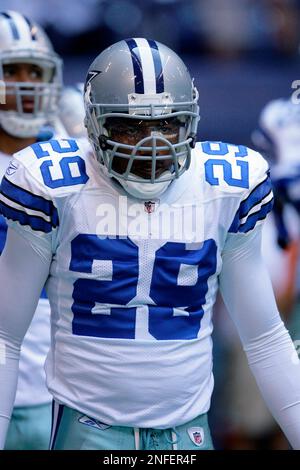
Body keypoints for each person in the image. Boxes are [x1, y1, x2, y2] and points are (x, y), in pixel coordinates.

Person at [0, 38, 300, 451]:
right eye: (130, 126)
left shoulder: (226, 185)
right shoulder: (56, 184)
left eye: (166, 124)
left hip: (188, 435)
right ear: (93, 127)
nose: (152, 144)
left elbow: (265, 337)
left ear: (191, 121)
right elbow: (5, 336)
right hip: (87, 430)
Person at [0, 10, 63, 449]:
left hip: (56, 388)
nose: (24, 83)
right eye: (9, 70)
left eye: (33, 71)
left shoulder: (72, 161)